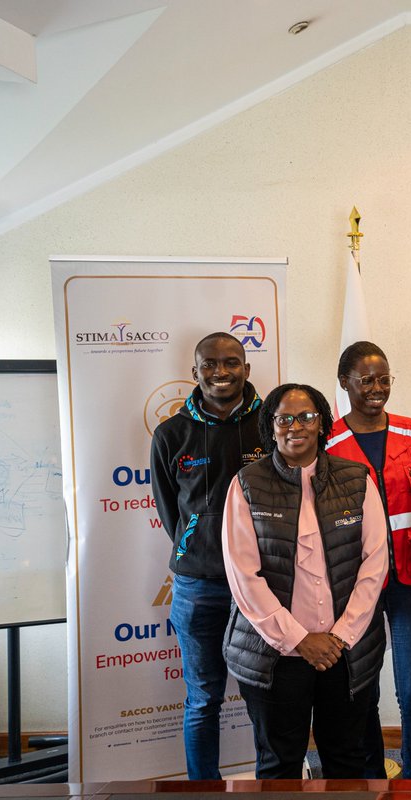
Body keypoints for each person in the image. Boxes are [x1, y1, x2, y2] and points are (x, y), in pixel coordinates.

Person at [221, 383, 388, 778]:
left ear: (322, 423)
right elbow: (244, 576)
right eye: (284, 418)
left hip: (344, 652)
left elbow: (374, 563)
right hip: (276, 656)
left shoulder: (357, 479)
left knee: (347, 760)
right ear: (271, 426)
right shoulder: (247, 484)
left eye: (306, 417)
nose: (296, 426)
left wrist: (341, 636)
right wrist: (298, 639)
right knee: (279, 765)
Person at [149, 332, 262, 780]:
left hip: (260, 583)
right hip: (198, 586)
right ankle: (203, 789)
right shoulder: (171, 434)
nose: (221, 372)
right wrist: (197, 545)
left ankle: (273, 784)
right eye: (210, 364)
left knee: (263, 696)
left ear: (246, 369)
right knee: (203, 698)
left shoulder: (270, 424)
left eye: (231, 362)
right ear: (195, 373)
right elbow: (168, 510)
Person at [326, 341, 411, 779]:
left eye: (384, 378)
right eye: (366, 379)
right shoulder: (328, 442)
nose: (377, 388)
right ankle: (372, 776)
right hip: (356, 586)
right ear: (344, 383)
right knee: (362, 690)